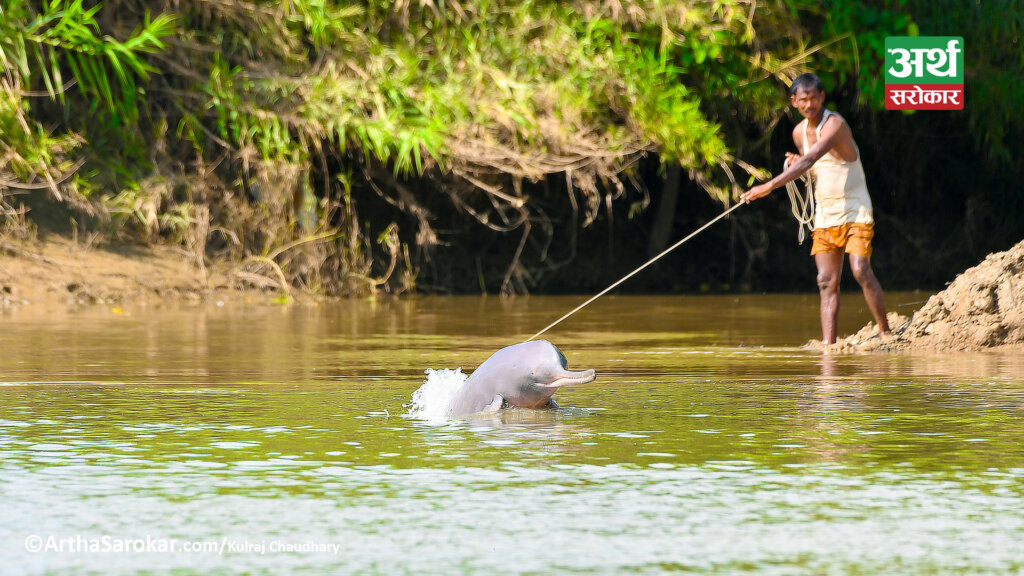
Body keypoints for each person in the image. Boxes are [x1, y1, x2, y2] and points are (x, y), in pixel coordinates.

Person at [740, 73, 890, 345]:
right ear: (794, 101)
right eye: (803, 99)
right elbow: (814, 168)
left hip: (855, 207)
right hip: (826, 210)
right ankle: (828, 345)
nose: (809, 104)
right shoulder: (798, 133)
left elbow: (810, 159)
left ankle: (885, 332)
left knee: (860, 270)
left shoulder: (834, 123)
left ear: (822, 97)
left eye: (813, 98)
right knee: (825, 280)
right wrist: (799, 166)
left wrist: (769, 186)